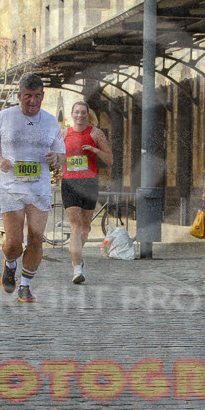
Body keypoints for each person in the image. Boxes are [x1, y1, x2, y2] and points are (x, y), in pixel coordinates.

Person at [0, 73, 65, 303]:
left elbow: (62, 155)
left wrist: (56, 158)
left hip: (39, 188)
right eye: (28, 96)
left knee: (37, 239)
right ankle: (10, 264)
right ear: (19, 95)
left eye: (37, 96)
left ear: (43, 96)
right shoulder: (5, 117)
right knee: (13, 244)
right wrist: (0, 160)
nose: (32, 101)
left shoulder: (51, 121)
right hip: (11, 187)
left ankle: (26, 286)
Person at [61, 101, 113, 284]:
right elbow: (57, 156)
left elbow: (110, 159)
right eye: (77, 112)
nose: (80, 115)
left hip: (89, 182)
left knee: (85, 226)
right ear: (72, 114)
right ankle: (77, 268)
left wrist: (95, 150)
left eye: (83, 112)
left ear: (87, 114)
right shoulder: (64, 134)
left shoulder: (95, 133)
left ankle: (77, 256)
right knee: (75, 225)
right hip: (69, 182)